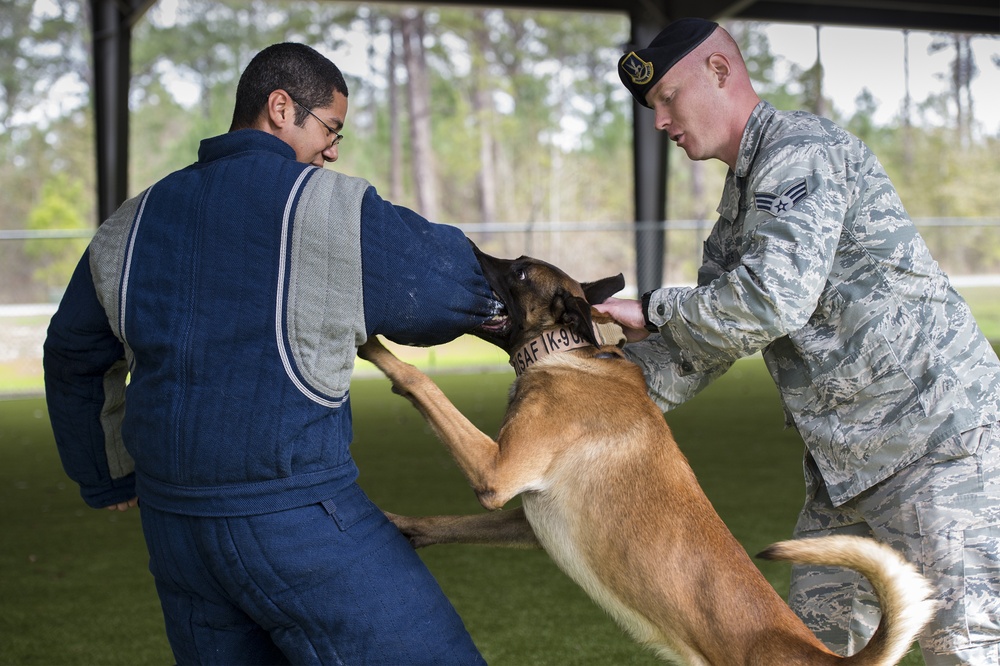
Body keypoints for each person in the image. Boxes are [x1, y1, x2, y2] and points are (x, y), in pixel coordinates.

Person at [43, 42, 495, 665]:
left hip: (174, 529)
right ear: (281, 108)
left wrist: (106, 473)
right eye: (330, 129)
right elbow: (446, 290)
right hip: (292, 515)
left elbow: (72, 355)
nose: (333, 150)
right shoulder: (328, 205)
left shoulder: (130, 219)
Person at [597, 18, 1000, 665]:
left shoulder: (799, 151)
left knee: (966, 649)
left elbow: (768, 301)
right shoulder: (741, 204)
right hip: (848, 475)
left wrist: (651, 305)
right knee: (800, 655)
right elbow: (701, 346)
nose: (660, 122)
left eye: (668, 97)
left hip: (937, 448)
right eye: (652, 109)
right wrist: (593, 382)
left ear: (720, 72)